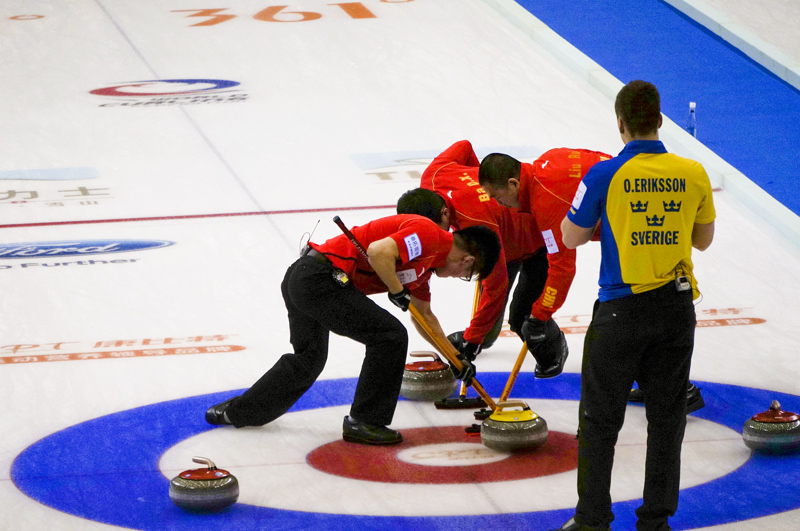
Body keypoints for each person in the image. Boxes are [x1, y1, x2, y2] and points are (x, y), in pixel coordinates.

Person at [553, 80, 716, 531]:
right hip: (675, 310)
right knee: (667, 419)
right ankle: (655, 521)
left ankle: (592, 520)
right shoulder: (693, 171)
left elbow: (570, 236)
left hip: (621, 311)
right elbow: (703, 240)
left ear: (620, 123)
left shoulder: (602, 174)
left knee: (599, 420)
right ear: (660, 120)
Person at [205, 213, 500, 446]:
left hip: (306, 278)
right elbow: (379, 251)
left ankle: (238, 412)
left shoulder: (425, 267)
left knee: (310, 358)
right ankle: (365, 421)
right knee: (390, 336)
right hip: (319, 277)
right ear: (467, 260)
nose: (458, 276)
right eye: (467, 275)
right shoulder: (429, 235)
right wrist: (396, 290)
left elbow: (425, 316)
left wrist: (455, 359)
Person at [396, 140, 548, 365]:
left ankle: (553, 354)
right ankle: (484, 336)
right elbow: (464, 146)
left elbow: (497, 285)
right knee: (489, 309)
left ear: (445, 214)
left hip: (534, 239)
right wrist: (483, 185)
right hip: (503, 237)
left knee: (521, 317)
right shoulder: (433, 174)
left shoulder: (474, 222)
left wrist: (472, 340)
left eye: (435, 233)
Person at [478, 144, 612, 378]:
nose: (499, 204)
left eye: (498, 197)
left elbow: (563, 269)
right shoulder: (549, 158)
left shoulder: (546, 203)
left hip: (633, 224)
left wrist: (540, 315)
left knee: (616, 317)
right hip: (631, 203)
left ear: (513, 184)